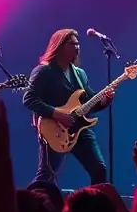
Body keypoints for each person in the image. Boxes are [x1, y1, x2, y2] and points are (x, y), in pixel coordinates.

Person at [22, 29, 113, 186]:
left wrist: (105, 101)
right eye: (72, 43)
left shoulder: (79, 73)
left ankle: (96, 207)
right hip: (55, 129)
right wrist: (57, 114)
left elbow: (89, 103)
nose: (77, 47)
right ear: (59, 46)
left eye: (78, 44)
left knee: (99, 169)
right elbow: (29, 99)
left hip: (80, 130)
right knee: (46, 177)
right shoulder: (44, 70)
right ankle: (34, 205)